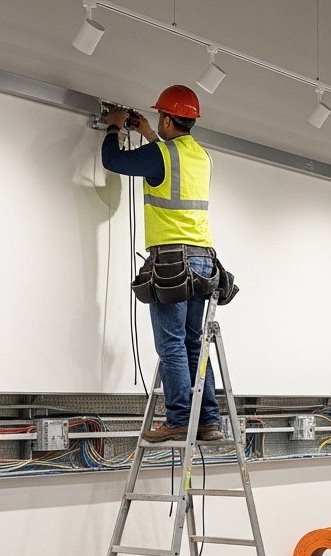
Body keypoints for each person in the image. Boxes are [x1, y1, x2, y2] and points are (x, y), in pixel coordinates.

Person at [102, 85, 223, 443]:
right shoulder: (201, 155)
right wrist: (147, 134)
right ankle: (208, 420)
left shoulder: (161, 154)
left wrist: (113, 126)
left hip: (171, 260)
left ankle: (179, 420)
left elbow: (114, 161)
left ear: (168, 118)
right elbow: (171, 159)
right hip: (204, 260)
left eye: (159, 117)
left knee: (171, 343)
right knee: (193, 343)